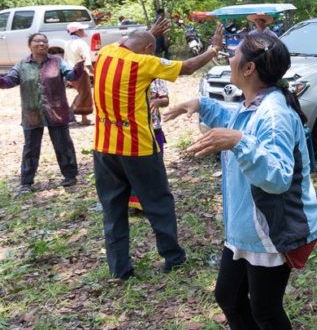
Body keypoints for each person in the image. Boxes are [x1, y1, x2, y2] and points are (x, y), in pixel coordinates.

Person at [164, 32, 317, 329]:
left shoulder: (275, 114)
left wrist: (239, 142)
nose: (230, 57)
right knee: (228, 297)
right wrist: (201, 104)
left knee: (265, 310)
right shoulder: (255, 102)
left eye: (236, 53)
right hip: (245, 227)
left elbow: (277, 177)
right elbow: (237, 118)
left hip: (269, 230)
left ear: (249, 68)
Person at [92, 19, 225, 280]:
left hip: (103, 147)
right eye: (151, 49)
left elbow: (131, 43)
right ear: (147, 49)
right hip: (137, 148)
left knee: (113, 208)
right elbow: (186, 67)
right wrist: (213, 49)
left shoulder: (105, 53)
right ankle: (173, 257)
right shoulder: (144, 63)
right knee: (158, 203)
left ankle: (119, 269)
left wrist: (149, 35)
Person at [0, 33, 85, 194]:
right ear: (30, 45)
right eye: (37, 41)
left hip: (56, 111)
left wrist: (79, 68)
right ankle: (26, 182)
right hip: (31, 114)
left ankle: (70, 176)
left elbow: (72, 75)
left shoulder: (57, 62)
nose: (41, 44)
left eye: (44, 41)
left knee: (63, 144)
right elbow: (9, 82)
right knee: (30, 148)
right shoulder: (21, 65)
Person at [127, 78, 169, 214]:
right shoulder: (130, 73)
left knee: (154, 166)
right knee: (135, 167)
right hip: (133, 128)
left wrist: (158, 102)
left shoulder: (158, 78)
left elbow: (166, 100)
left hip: (153, 127)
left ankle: (153, 202)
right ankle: (136, 203)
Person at [65, 22, 94, 126]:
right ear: (77, 31)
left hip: (70, 71)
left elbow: (66, 58)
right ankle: (71, 114)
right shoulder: (81, 43)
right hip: (80, 71)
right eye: (82, 30)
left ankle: (82, 117)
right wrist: (93, 71)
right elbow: (86, 60)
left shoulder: (67, 42)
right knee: (85, 93)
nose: (83, 31)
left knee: (82, 93)